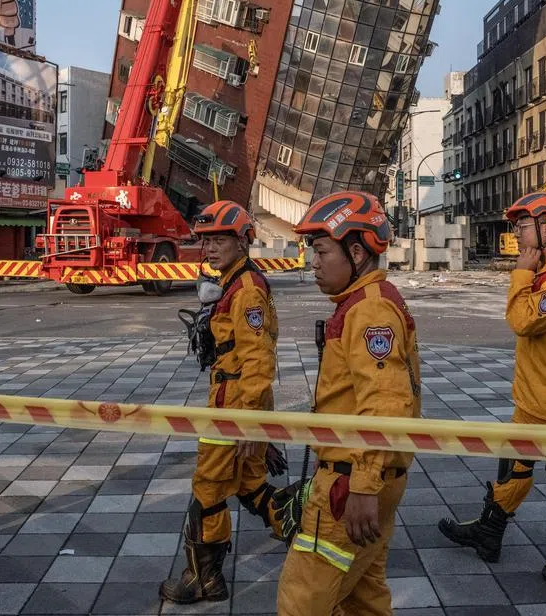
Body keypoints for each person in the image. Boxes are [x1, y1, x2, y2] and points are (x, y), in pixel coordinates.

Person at [438, 192, 546, 585]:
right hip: (539, 393)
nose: (515, 231)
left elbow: (522, 320)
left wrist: (520, 272)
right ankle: (490, 530)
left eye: (522, 224)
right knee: (515, 463)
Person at [275, 191, 421, 616]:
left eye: (322, 251)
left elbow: (386, 404)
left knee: (301, 602)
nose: (313, 263)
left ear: (356, 251)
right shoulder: (366, 303)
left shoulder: (369, 311)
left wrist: (362, 485)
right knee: (363, 598)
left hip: (349, 484)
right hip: (369, 475)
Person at [161, 201, 293, 604]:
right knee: (250, 482)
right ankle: (300, 525)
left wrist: (250, 423)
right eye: (206, 241)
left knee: (209, 489)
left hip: (234, 405)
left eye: (220, 240)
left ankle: (204, 579)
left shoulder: (247, 290)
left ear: (243, 241)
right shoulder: (235, 282)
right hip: (238, 400)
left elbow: (258, 360)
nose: (210, 249)